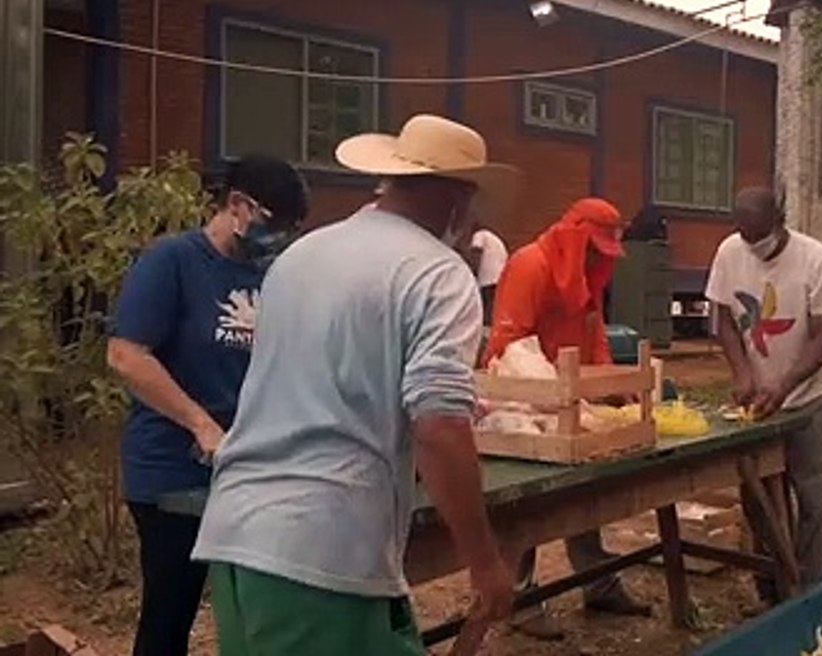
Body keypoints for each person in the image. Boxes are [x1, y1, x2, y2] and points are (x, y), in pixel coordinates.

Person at [192, 114, 517, 655]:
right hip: (321, 551)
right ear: (458, 201)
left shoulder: (302, 255)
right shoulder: (438, 273)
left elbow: (316, 377)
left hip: (236, 534)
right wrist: (485, 564)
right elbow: (439, 426)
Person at [106, 155, 308, 656]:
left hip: (246, 469)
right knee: (170, 614)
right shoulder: (171, 262)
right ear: (237, 206)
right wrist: (201, 425)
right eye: (275, 224)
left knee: (253, 612)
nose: (280, 238)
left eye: (292, 229)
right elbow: (127, 356)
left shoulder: (272, 276)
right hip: (173, 472)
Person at [481, 197, 652, 640]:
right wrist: (554, 394)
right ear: (576, 239)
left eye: (606, 253)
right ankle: (520, 597)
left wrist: (614, 385)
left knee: (587, 484)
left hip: (570, 395)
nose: (600, 260)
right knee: (528, 495)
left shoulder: (587, 274)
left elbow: (593, 335)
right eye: (594, 249)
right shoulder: (530, 264)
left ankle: (598, 582)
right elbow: (512, 341)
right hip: (521, 392)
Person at [704, 186, 822, 607]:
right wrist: (742, 371)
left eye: (761, 239)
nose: (754, 249)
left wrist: (784, 385)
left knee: (814, 502)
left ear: (780, 220)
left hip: (810, 401)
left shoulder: (816, 260)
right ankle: (772, 591)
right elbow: (725, 321)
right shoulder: (730, 252)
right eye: (747, 238)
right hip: (759, 404)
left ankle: (810, 592)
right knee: (761, 499)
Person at [467, 223, 509, 325]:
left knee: (484, 302)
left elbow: (477, 251)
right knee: (493, 303)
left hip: (488, 274)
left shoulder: (480, 234)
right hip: (501, 274)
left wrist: (472, 269)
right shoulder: (495, 239)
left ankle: (483, 325)